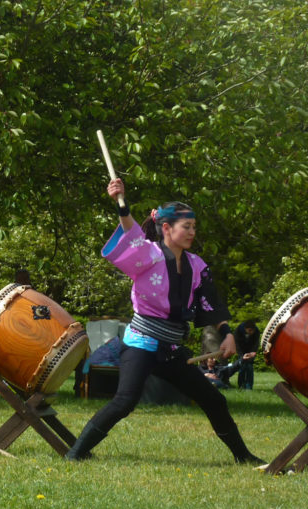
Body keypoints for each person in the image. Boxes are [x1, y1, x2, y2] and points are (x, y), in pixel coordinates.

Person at [65, 178, 263, 465]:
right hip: (142, 344)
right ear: (167, 228)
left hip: (171, 350)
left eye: (194, 227)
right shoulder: (148, 254)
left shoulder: (197, 265)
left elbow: (210, 303)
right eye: (187, 227)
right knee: (125, 402)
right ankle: (76, 453)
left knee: (214, 400)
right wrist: (120, 202)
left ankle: (243, 457)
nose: (193, 232)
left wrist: (227, 333)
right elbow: (131, 233)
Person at [233, 320, 260, 390]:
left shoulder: (256, 331)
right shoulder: (238, 331)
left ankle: (249, 387)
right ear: (245, 328)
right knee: (242, 367)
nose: (251, 332)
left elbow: (256, 343)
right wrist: (242, 356)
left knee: (249, 367)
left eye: (252, 330)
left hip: (250, 351)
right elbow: (237, 345)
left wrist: (253, 352)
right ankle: (241, 385)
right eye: (249, 330)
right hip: (241, 351)